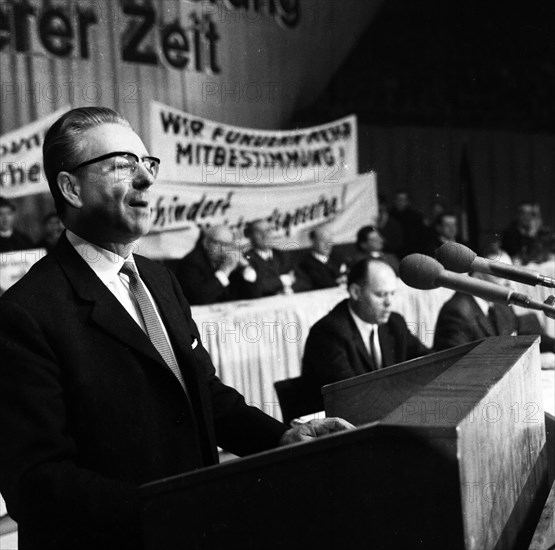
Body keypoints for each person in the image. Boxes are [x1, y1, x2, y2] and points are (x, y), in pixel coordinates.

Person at [0, 107, 352, 550]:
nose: (146, 180)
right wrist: (169, 511)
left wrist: (282, 436)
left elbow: (204, 394)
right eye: (123, 165)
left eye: (147, 165)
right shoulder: (26, 313)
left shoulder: (160, 278)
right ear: (71, 188)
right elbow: (36, 483)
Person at [302, 259, 430, 406]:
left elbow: (429, 361)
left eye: (392, 294)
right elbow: (352, 396)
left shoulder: (395, 322)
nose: (389, 302)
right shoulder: (328, 333)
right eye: (381, 294)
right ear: (356, 292)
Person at [433, 247, 555, 358]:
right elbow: (460, 367)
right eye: (503, 275)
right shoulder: (456, 313)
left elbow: (521, 332)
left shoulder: (500, 301)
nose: (509, 283)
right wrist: (535, 359)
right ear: (478, 275)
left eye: (513, 276)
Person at [176, 224, 259, 304]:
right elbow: (201, 299)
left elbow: (254, 296)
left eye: (228, 245)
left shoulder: (230, 260)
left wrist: (245, 267)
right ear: (206, 243)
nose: (224, 249)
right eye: (219, 244)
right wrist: (224, 271)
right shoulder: (191, 262)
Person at [243, 218, 310, 296]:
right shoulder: (246, 259)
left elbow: (305, 281)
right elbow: (256, 288)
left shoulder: (284, 255)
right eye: (259, 232)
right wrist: (283, 280)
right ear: (250, 236)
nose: (265, 235)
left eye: (268, 231)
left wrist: (290, 290)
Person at [296, 225, 347, 290]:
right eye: (323, 240)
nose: (327, 244)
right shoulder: (305, 264)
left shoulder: (338, 258)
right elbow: (322, 283)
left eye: (329, 240)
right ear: (312, 242)